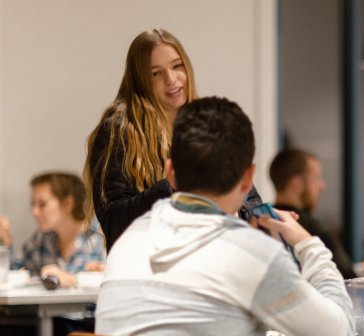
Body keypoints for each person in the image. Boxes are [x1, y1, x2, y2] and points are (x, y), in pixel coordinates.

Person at [95, 97, 353, 336]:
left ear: (170, 171)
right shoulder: (249, 252)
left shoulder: (129, 240)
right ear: (248, 177)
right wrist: (309, 245)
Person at [83, 28, 262, 252]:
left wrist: (265, 218)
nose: (171, 79)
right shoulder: (120, 129)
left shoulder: (206, 120)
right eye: (156, 73)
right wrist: (178, 184)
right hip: (150, 269)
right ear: (140, 80)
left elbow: (245, 192)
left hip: (212, 258)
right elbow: (113, 223)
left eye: (177, 66)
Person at [269, 149, 356, 279]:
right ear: (296, 184)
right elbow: (349, 278)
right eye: (316, 179)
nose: (322, 186)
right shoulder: (315, 230)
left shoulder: (257, 224)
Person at [19, 172, 105, 286]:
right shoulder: (42, 238)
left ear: (68, 203)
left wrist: (74, 281)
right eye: (33, 205)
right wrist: (5, 243)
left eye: (42, 204)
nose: (35, 212)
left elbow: (118, 281)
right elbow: (14, 270)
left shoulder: (102, 234)